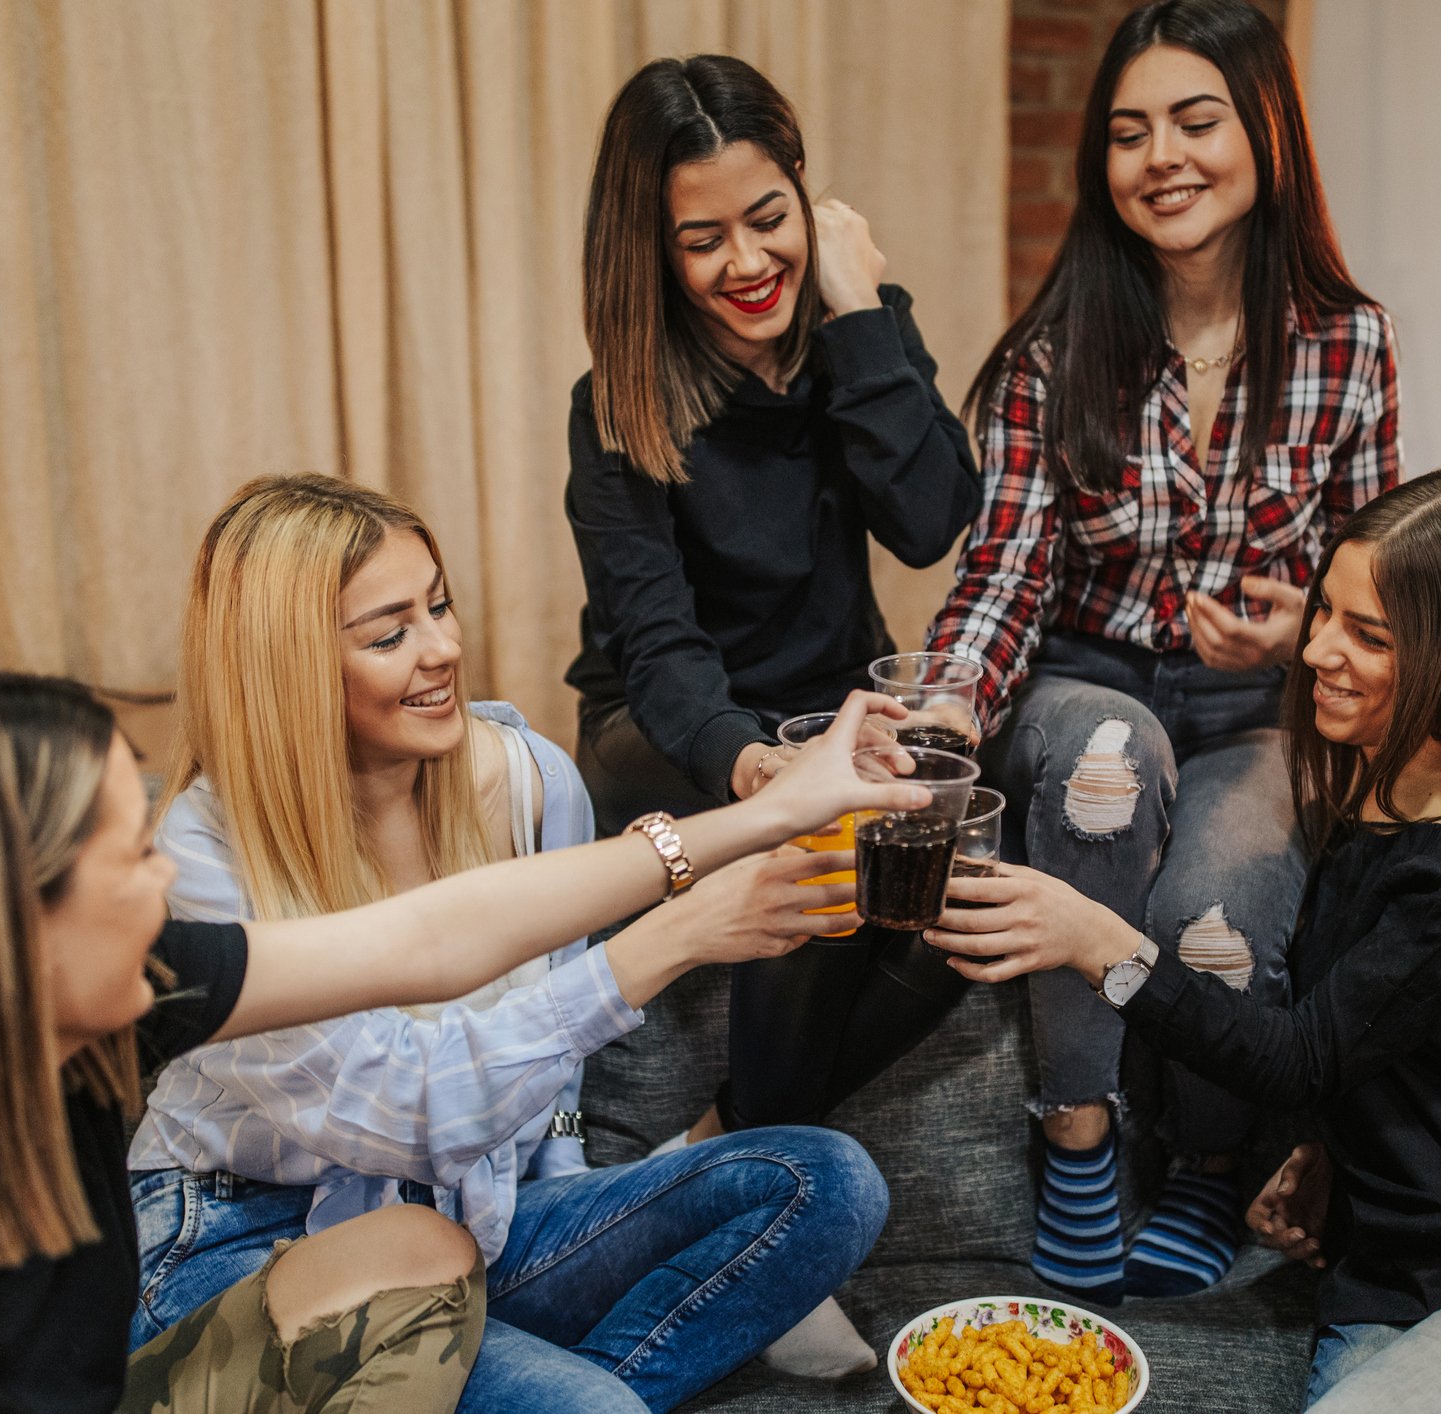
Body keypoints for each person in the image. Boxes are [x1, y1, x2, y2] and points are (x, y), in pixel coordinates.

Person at [0, 671, 928, 1414]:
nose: (172, 880)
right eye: (132, 852)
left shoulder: (103, 1001)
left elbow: (434, 938)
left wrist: (760, 818)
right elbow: (419, 1085)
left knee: (436, 1238)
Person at [927, 468, 1441, 1411]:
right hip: (1390, 1295)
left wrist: (1098, 942)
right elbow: (1385, 1029)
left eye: (1367, 635)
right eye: (1321, 612)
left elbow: (1300, 1055)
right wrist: (1334, 1151)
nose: (1317, 649)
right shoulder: (1378, 786)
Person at [126, 475, 893, 1411]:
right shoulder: (197, 855)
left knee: (826, 1183)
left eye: (438, 605)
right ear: (286, 668)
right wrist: (674, 937)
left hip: (469, 1224)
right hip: (243, 1241)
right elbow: (400, 1106)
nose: (444, 648)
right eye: (389, 633)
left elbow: (555, 1080)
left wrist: (563, 1182)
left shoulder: (524, 776)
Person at [925, 0, 1401, 1303]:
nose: (1161, 157)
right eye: (1129, 132)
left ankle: (1201, 1163)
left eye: (1195, 121)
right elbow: (1003, 577)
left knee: (1222, 896)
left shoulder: (1346, 344)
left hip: (1258, 707)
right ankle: (1079, 1139)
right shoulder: (1046, 353)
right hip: (1088, 680)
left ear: (1263, 132)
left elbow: (1378, 581)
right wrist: (943, 717)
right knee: (1102, 757)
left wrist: (1305, 631)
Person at [565, 53, 987, 1370]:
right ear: (650, 250)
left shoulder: (855, 331)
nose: (747, 261)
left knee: (961, 891)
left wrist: (861, 306)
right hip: (665, 724)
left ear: (809, 202)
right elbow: (663, 647)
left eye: (769, 217)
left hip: (832, 704)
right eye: (702, 238)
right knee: (817, 854)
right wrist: (763, 770)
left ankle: (733, 1128)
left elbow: (931, 519)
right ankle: (778, 1233)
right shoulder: (617, 401)